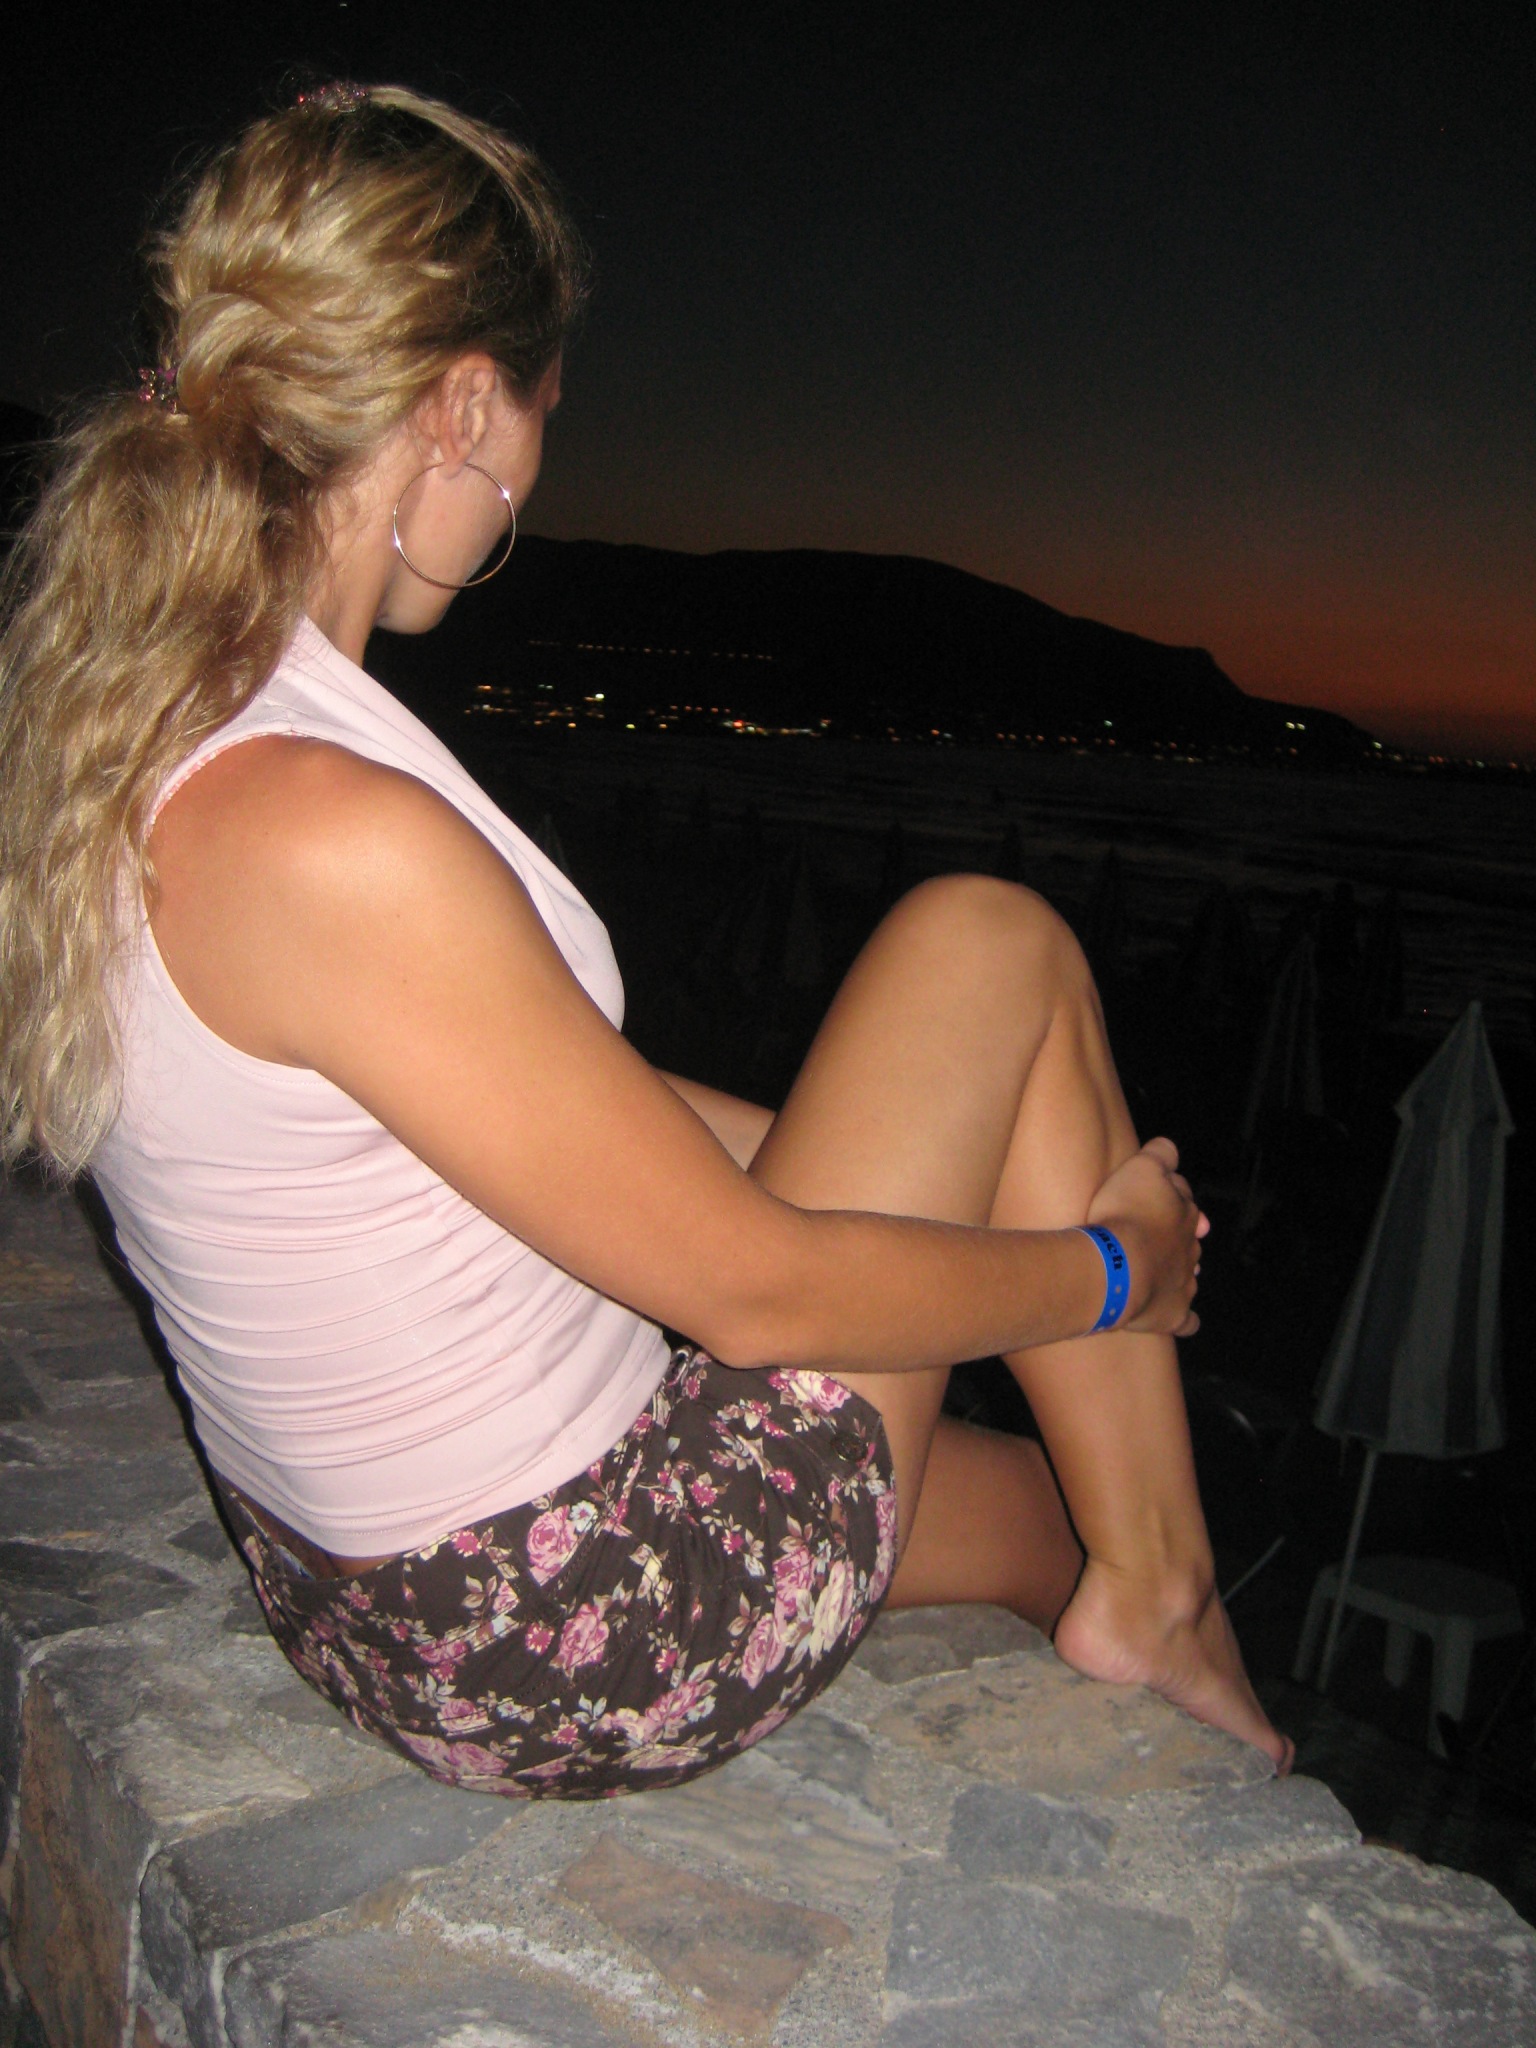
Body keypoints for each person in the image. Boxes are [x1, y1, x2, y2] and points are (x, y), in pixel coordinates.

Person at [0, 84, 1290, 1795]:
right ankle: (1175, 1599)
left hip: (386, 1607)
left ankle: (1147, 1593)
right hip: (581, 1623)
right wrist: (1111, 1268)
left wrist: (957, 1175)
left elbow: (546, 1107)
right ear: (465, 403)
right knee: (991, 942)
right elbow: (752, 1293)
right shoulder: (319, 825)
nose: (533, 472)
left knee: (1059, 1517)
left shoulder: (170, 728)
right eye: (543, 409)